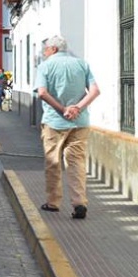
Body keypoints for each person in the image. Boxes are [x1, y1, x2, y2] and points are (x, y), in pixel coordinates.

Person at [34, 35, 100, 219]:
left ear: (53, 49)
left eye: (45, 49)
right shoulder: (82, 64)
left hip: (54, 122)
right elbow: (95, 91)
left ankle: (53, 202)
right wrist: (77, 108)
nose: (44, 53)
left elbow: (42, 93)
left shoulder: (45, 66)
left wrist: (63, 109)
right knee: (76, 162)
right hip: (80, 122)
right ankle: (79, 203)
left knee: (53, 162)